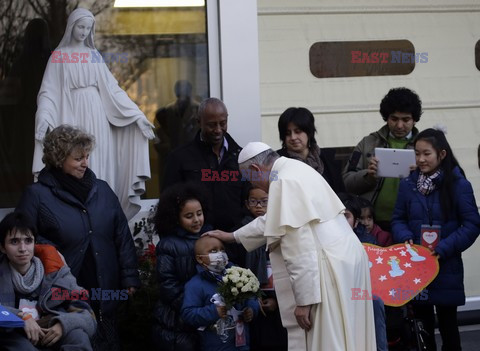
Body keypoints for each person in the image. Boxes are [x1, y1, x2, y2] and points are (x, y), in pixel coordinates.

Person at [206, 142, 376, 351]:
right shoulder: (295, 169)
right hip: (346, 258)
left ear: (255, 170)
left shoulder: (283, 180)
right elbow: (276, 219)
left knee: (328, 341)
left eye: (251, 179)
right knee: (350, 334)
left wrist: (304, 301)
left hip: (328, 265)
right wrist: (233, 236)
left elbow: (299, 247)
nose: (255, 186)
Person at [15, 125, 140, 350]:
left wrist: (129, 277)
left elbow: (121, 234)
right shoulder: (36, 195)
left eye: (87, 156)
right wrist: (52, 251)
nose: (85, 163)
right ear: (58, 158)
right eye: (78, 158)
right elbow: (22, 241)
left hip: (106, 289)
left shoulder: (102, 190)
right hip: (64, 294)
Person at [33, 8, 154, 220]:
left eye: (88, 28)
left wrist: (137, 116)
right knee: (72, 162)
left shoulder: (94, 55)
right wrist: (43, 117)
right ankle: (74, 216)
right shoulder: (58, 57)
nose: (83, 31)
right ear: (71, 27)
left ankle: (101, 216)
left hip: (97, 116)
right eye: (80, 27)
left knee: (98, 162)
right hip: (70, 115)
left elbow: (113, 89)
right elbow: (48, 92)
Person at [392, 128, 480, 351]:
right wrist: (406, 239)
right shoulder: (408, 185)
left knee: (449, 327)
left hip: (446, 265)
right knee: (422, 327)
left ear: (442, 154)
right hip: (416, 267)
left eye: (426, 154)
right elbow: (398, 219)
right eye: (417, 154)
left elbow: (472, 224)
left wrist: (444, 248)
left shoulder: (459, 185)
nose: (421, 159)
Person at [0, 212, 96, 351]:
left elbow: (87, 314)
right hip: (13, 334)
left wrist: (63, 324)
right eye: (14, 241)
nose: (22, 249)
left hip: (50, 330)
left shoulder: (55, 270)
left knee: (78, 336)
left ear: (34, 243)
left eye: (28, 241)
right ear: (2, 247)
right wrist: (21, 318)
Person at [343, 87, 423, 231]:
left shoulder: (425, 146)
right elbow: (347, 180)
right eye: (394, 119)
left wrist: (421, 174)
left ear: (415, 119)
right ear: (386, 117)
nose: (399, 125)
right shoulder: (367, 143)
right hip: (370, 223)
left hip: (411, 222)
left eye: (406, 120)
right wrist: (368, 175)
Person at [162, 97, 246, 231]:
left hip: (235, 240)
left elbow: (249, 200)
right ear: (198, 122)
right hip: (196, 242)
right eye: (212, 125)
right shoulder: (179, 158)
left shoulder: (242, 157)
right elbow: (168, 206)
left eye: (222, 123)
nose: (218, 130)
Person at [152, 183, 211, 351]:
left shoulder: (209, 236)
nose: (196, 220)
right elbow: (168, 285)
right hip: (177, 321)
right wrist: (192, 307)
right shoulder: (168, 245)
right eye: (189, 216)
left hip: (205, 315)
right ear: (175, 218)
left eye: (199, 214)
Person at [181, 236, 259, 351]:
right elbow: (188, 314)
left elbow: (252, 296)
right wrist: (213, 311)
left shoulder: (238, 275)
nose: (220, 254)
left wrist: (252, 309)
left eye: (222, 250)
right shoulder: (195, 285)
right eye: (213, 251)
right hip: (216, 345)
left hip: (242, 343)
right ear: (200, 259)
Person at [240, 185, 288, 351]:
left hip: (279, 301)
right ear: (246, 204)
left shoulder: (282, 229)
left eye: (264, 201)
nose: (259, 206)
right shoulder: (240, 231)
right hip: (252, 302)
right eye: (254, 201)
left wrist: (277, 300)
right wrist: (251, 298)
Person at [338, 193, 388, 351]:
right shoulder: (323, 240)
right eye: (337, 216)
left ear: (355, 222)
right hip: (335, 294)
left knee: (375, 301)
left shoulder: (367, 242)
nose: (340, 221)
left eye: (346, 216)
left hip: (361, 292)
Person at [276, 107, 344, 193]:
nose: (293, 137)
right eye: (287, 133)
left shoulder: (327, 159)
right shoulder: (276, 161)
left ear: (309, 132)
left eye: (298, 132)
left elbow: (341, 193)